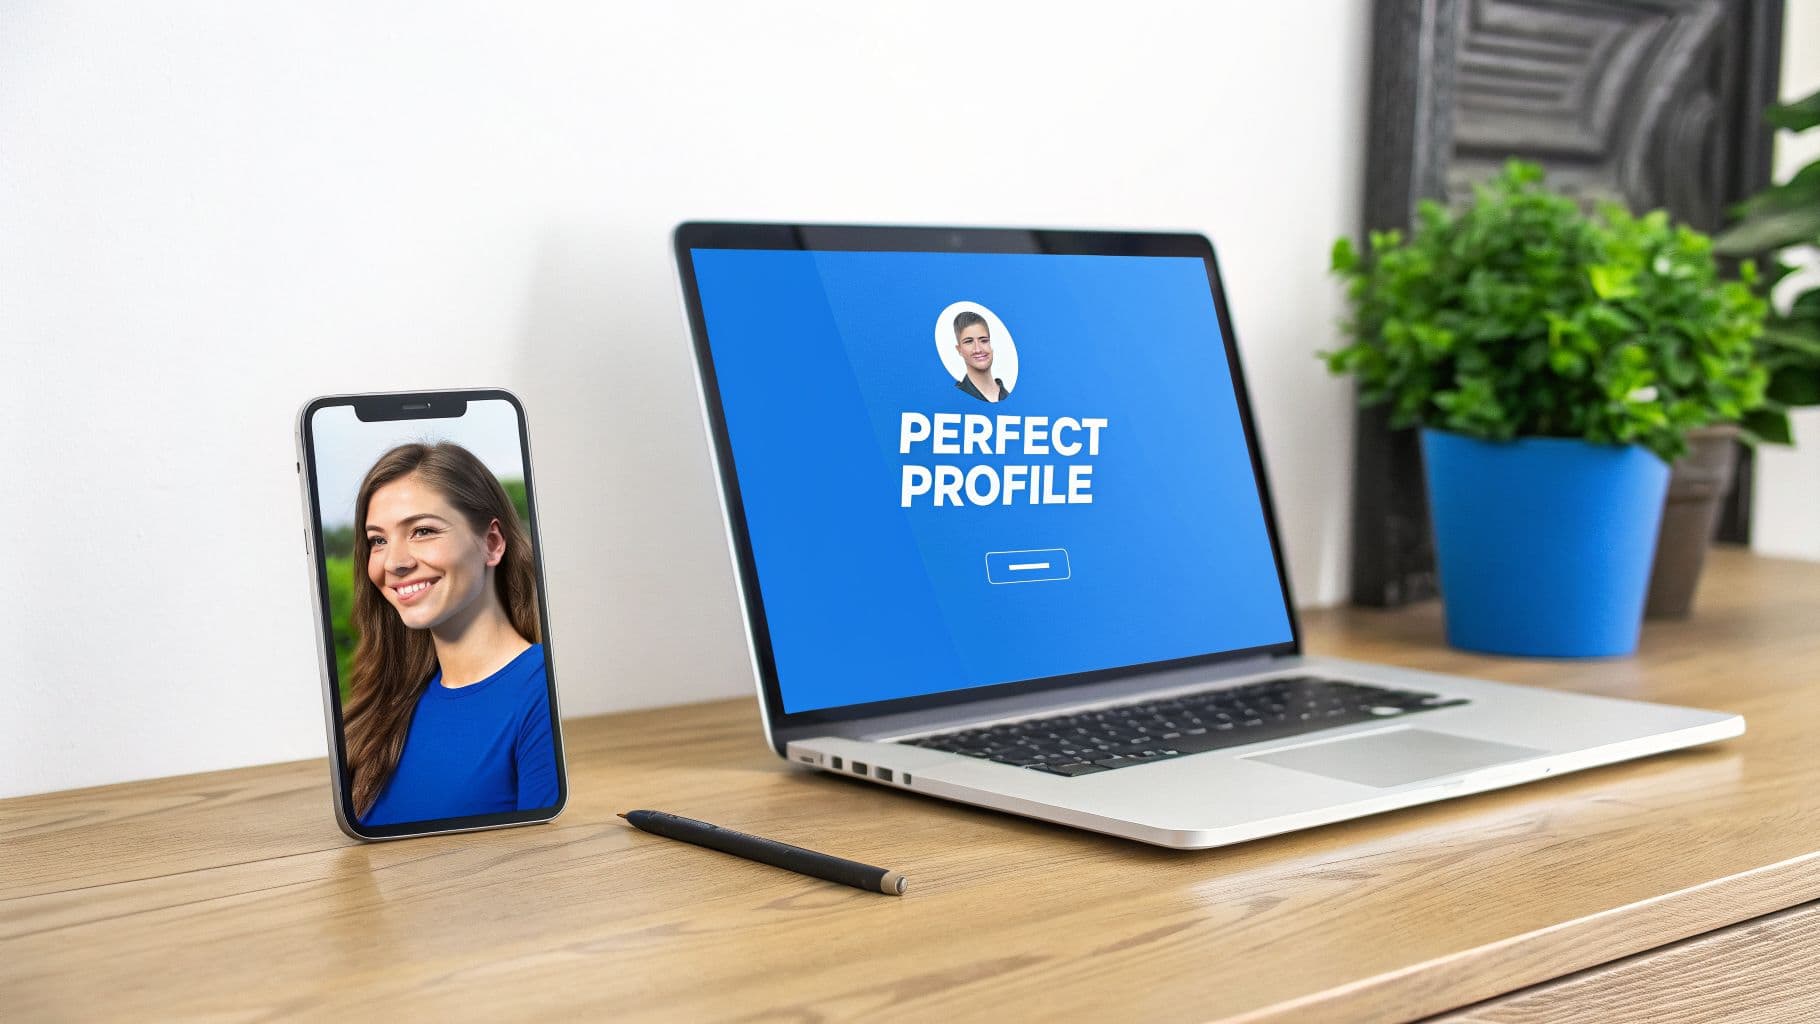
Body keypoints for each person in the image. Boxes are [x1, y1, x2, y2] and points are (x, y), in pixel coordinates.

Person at [342, 442, 559, 826]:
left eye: (422, 530)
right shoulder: (385, 703)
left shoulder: (541, 690)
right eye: (378, 540)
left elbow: (542, 864)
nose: (395, 562)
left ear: (491, 543)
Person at [952, 310, 1010, 403]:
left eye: (983, 340)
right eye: (968, 342)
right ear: (959, 350)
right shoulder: (954, 397)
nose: (978, 349)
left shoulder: (1010, 398)